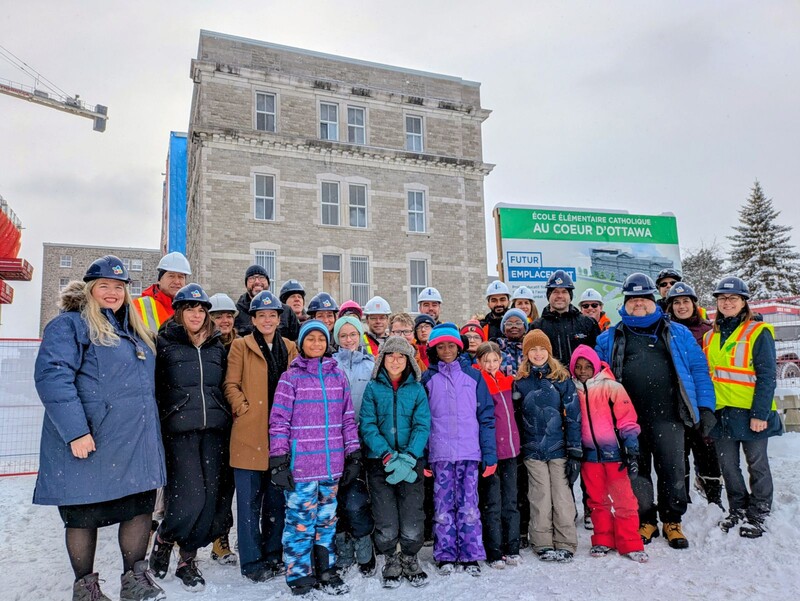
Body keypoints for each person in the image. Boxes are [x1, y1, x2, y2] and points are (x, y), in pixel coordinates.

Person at [34, 255, 166, 601]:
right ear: (90, 289)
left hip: (135, 442)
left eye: (119, 287)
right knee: (83, 514)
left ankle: (134, 580)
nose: (112, 292)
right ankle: (86, 588)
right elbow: (53, 377)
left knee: (137, 508)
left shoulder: (134, 331)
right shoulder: (70, 326)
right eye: (104, 285)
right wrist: (75, 431)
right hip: (93, 440)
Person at [595, 272, 716, 550]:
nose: (638, 303)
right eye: (632, 299)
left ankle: (672, 520)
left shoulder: (678, 333)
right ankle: (646, 519)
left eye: (644, 298)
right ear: (625, 303)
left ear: (654, 301)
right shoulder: (609, 338)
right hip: (628, 421)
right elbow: (598, 378)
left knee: (673, 470)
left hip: (669, 416)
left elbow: (699, 370)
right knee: (637, 473)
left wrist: (706, 407)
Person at [269, 320, 361, 596]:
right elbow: (279, 421)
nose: (316, 344)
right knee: (300, 523)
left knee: (327, 521)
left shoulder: (337, 377)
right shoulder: (290, 378)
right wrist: (278, 459)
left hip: (332, 465)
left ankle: (326, 569)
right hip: (302, 467)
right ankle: (299, 574)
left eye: (321, 339)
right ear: (301, 344)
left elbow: (347, 419)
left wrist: (353, 453)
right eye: (311, 339)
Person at [149, 283, 229, 592]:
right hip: (179, 431)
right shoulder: (165, 344)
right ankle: (165, 537)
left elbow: (224, 385)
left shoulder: (217, 347)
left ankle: (187, 560)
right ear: (179, 313)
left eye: (201, 310)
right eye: (190, 309)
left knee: (209, 502)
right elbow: (155, 388)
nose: (196, 315)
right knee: (188, 498)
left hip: (214, 431)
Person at [223, 290, 298, 582]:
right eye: (261, 315)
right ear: (253, 319)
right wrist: (244, 409)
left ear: (279, 319)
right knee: (248, 503)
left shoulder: (289, 347)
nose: (267, 320)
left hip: (280, 436)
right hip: (249, 433)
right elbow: (230, 384)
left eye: (272, 315)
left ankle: (272, 553)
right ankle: (252, 561)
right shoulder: (241, 346)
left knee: (276, 502)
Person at [705, 277, 782, 538]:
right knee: (728, 467)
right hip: (721, 413)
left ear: (743, 302)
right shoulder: (710, 336)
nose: (727, 303)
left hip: (751, 412)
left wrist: (760, 413)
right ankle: (737, 508)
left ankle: (759, 512)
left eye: (733, 298)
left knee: (757, 464)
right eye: (722, 298)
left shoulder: (758, 331)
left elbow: (767, 376)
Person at [422, 323, 497, 576]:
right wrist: (423, 456)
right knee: (443, 508)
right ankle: (445, 554)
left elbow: (486, 417)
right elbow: (422, 420)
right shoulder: (428, 379)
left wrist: (489, 453)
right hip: (440, 454)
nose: (446, 351)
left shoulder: (474, 377)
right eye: (441, 346)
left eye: (451, 346)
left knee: (469, 507)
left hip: (469, 452)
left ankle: (470, 554)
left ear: (459, 347)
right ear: (433, 350)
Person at [359, 336, 431, 588]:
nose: (396, 360)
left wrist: (410, 455)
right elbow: (367, 424)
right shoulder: (373, 388)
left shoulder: (417, 389)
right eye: (391, 355)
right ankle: (391, 556)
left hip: (411, 461)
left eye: (401, 356)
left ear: (409, 360)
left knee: (412, 512)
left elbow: (422, 424)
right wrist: (386, 453)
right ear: (382, 359)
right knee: (385, 512)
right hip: (380, 461)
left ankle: (410, 556)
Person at [569, 345, 648, 563]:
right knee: (596, 500)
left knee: (624, 500)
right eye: (578, 367)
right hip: (589, 456)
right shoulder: (571, 390)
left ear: (596, 366)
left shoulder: (611, 387)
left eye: (587, 366)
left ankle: (630, 541)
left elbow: (627, 419)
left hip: (615, 454)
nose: (583, 371)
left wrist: (631, 448)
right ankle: (603, 538)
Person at [514, 329, 581, 563]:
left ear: (549, 352)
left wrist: (574, 450)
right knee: (540, 496)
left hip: (558, 448)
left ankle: (565, 541)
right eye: (533, 349)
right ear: (526, 353)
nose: (538, 353)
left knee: (562, 496)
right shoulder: (521, 382)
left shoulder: (561, 380)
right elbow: (516, 417)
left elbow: (573, 416)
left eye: (542, 349)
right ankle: (542, 541)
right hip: (533, 449)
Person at [665, 282, 724, 508]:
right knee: (679, 452)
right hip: (676, 400)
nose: (681, 306)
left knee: (707, 449)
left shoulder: (709, 330)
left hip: (702, 397)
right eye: (677, 303)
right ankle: (684, 498)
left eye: (686, 302)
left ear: (694, 304)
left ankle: (714, 496)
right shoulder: (664, 330)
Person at [332, 315, 376, 576]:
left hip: (363, 439)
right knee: (336, 497)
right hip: (334, 441)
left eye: (353, 334)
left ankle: (364, 542)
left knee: (358, 497)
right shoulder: (330, 365)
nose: (348, 340)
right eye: (343, 335)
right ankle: (343, 543)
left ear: (360, 336)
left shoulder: (371, 365)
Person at [475, 341, 521, 568]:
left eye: (495, 360)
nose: (491, 365)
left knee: (510, 501)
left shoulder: (509, 381)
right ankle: (494, 550)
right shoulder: (478, 382)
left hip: (511, 451)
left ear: (501, 360)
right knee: (492, 502)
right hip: (491, 452)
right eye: (487, 361)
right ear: (479, 362)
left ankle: (512, 547)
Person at [206, 292, 239, 566]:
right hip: (211, 423)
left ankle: (221, 539)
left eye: (229, 316)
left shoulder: (241, 345)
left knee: (226, 486)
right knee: (207, 487)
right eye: (218, 316)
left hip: (235, 424)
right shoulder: (205, 345)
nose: (225, 320)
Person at [531, 270, 600, 366]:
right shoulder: (537, 327)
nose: (560, 296)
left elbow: (598, 357)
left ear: (570, 296)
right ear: (549, 295)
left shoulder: (588, 324)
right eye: (555, 292)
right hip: (549, 375)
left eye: (564, 292)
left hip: (580, 375)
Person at [235, 264, 300, 341]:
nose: (257, 281)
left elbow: (297, 340)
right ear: (246, 284)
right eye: (252, 278)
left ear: (268, 283)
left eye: (261, 277)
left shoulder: (286, 311)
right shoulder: (236, 312)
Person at [133, 251, 191, 334]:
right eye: (171, 276)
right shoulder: (137, 306)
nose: (177, 281)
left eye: (181, 277)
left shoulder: (192, 307)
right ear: (159, 280)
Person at [497, 308, 528, 376]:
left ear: (525, 328)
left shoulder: (531, 349)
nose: (514, 326)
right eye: (509, 324)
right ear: (504, 330)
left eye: (518, 323)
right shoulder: (496, 350)